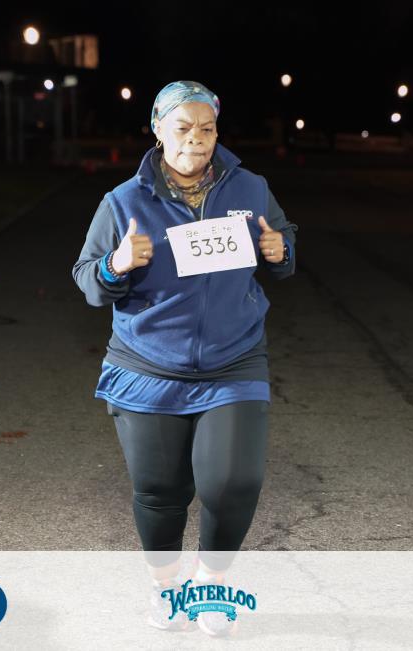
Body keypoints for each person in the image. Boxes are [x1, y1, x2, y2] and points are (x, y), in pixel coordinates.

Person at [72, 80, 297, 636]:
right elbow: (89, 280)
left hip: (234, 361)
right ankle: (166, 588)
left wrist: (281, 250)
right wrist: (116, 264)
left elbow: (283, 244)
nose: (195, 139)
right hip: (147, 366)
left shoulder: (250, 188)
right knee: (161, 490)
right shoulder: (123, 201)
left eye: (207, 128)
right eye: (182, 127)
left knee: (232, 482)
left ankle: (210, 586)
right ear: (158, 130)